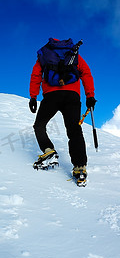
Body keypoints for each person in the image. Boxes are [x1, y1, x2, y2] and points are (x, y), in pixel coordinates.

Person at [29, 38, 96, 183]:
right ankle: (80, 167)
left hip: (51, 95)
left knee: (39, 125)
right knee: (74, 130)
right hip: (72, 95)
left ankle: (48, 151)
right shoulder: (73, 54)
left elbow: (36, 75)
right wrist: (90, 95)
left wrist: (33, 97)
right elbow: (86, 73)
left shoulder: (45, 54)